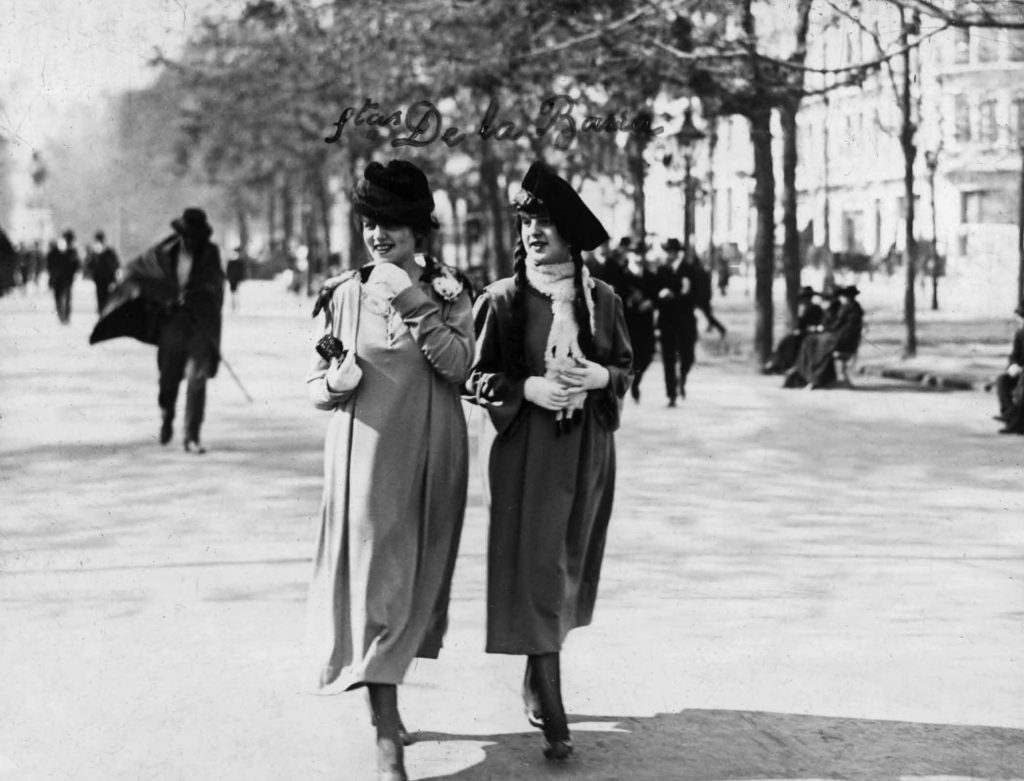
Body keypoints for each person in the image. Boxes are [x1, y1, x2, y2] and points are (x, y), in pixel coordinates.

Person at [305, 159, 474, 781]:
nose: (379, 235)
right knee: (379, 576)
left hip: (433, 452)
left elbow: (458, 365)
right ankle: (384, 731)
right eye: (372, 222)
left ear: (417, 229)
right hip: (368, 456)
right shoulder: (344, 292)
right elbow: (318, 379)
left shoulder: (453, 290)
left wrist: (411, 298)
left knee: (416, 579)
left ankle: (388, 699)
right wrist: (331, 382)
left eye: (393, 225)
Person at [466, 161, 633, 762]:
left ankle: (539, 677)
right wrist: (526, 390)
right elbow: (476, 375)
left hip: (586, 453)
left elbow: (624, 368)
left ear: (568, 233)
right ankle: (555, 705)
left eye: (545, 221)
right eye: (527, 220)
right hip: (525, 455)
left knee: (563, 568)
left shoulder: (603, 299)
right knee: (537, 568)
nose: (533, 231)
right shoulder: (503, 300)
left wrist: (597, 375)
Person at [155, 209, 225, 452]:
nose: (189, 240)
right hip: (173, 322)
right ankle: (167, 414)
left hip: (200, 324)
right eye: (186, 235)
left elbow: (217, 288)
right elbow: (155, 283)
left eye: (194, 236)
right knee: (169, 376)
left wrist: (198, 295)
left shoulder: (210, 253)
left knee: (197, 378)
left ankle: (192, 435)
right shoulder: (168, 251)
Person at [785, 284, 864, 389]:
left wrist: (823, 329)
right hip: (843, 336)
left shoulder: (849, 308)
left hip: (843, 338)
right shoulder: (851, 307)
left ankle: (814, 376)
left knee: (815, 342)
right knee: (812, 341)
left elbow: (839, 325)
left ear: (847, 297)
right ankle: (810, 374)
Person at [654, 237, 699, 405]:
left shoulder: (690, 270)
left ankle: (682, 377)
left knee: (688, 356)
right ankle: (671, 394)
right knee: (668, 358)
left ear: (677, 252)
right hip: (667, 321)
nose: (668, 254)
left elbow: (696, 296)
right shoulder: (662, 271)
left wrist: (677, 296)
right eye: (666, 251)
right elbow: (656, 294)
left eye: (671, 251)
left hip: (686, 321)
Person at [620, 244, 657, 401]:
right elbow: (615, 296)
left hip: (646, 324)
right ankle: (631, 382)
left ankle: (636, 381)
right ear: (629, 255)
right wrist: (629, 301)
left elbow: (656, 295)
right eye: (635, 254)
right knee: (632, 356)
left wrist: (650, 303)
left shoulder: (651, 277)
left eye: (641, 254)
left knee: (648, 355)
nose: (639, 258)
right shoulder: (622, 276)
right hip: (628, 324)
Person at [764, 286, 823, 374]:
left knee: (792, 342)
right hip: (802, 332)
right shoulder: (805, 309)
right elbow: (801, 324)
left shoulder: (816, 309)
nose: (804, 301)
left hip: (811, 333)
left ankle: (786, 365)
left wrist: (807, 329)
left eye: (805, 299)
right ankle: (777, 364)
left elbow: (817, 323)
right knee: (786, 341)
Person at [995, 300, 1024, 435]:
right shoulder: (1020, 334)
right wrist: (1013, 365)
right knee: (1002, 380)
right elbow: (1014, 356)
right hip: (1021, 373)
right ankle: (1011, 416)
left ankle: (1012, 421)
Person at [47, 229, 81, 323]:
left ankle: (64, 316)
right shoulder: (59, 251)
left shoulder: (71, 251)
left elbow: (76, 264)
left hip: (65, 278)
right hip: (59, 278)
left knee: (65, 297)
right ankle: (63, 315)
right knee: (60, 297)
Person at [84, 231, 120, 314]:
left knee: (105, 296)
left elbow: (115, 263)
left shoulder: (109, 251)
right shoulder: (94, 252)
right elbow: (88, 265)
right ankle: (102, 311)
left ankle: (104, 311)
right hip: (100, 278)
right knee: (101, 296)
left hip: (108, 278)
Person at [225, 246, 247, 311]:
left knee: (235, 290)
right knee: (233, 291)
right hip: (233, 278)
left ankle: (235, 303)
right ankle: (233, 303)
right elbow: (229, 270)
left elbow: (241, 271)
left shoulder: (239, 262)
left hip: (235, 278)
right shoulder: (233, 262)